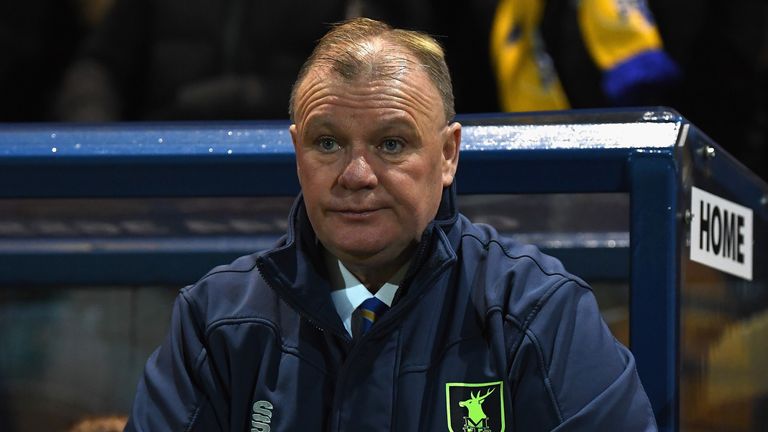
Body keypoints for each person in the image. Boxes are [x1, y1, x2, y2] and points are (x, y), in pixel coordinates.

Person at [125, 17, 657, 431]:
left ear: (448, 155)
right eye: (327, 143)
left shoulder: (537, 312)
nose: (356, 175)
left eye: (392, 144)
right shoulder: (216, 322)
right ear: (296, 153)